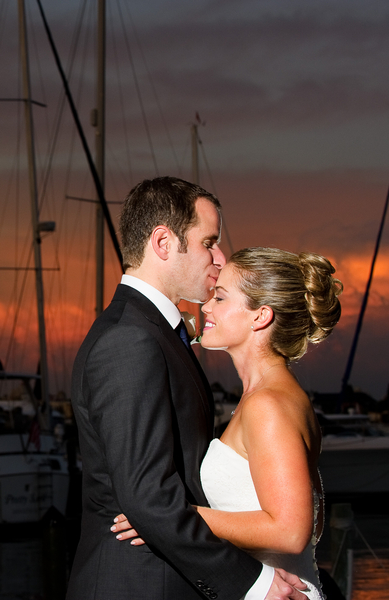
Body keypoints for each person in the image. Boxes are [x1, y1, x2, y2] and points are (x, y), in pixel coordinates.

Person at [65, 177, 308, 600]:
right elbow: (146, 498)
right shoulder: (129, 340)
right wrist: (253, 581)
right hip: (139, 583)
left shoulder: (151, 332)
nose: (220, 256)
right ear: (163, 242)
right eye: (208, 242)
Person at [113, 247, 342, 600]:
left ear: (260, 316)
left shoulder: (269, 405)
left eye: (220, 297)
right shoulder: (268, 397)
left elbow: (292, 530)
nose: (206, 306)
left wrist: (171, 519)